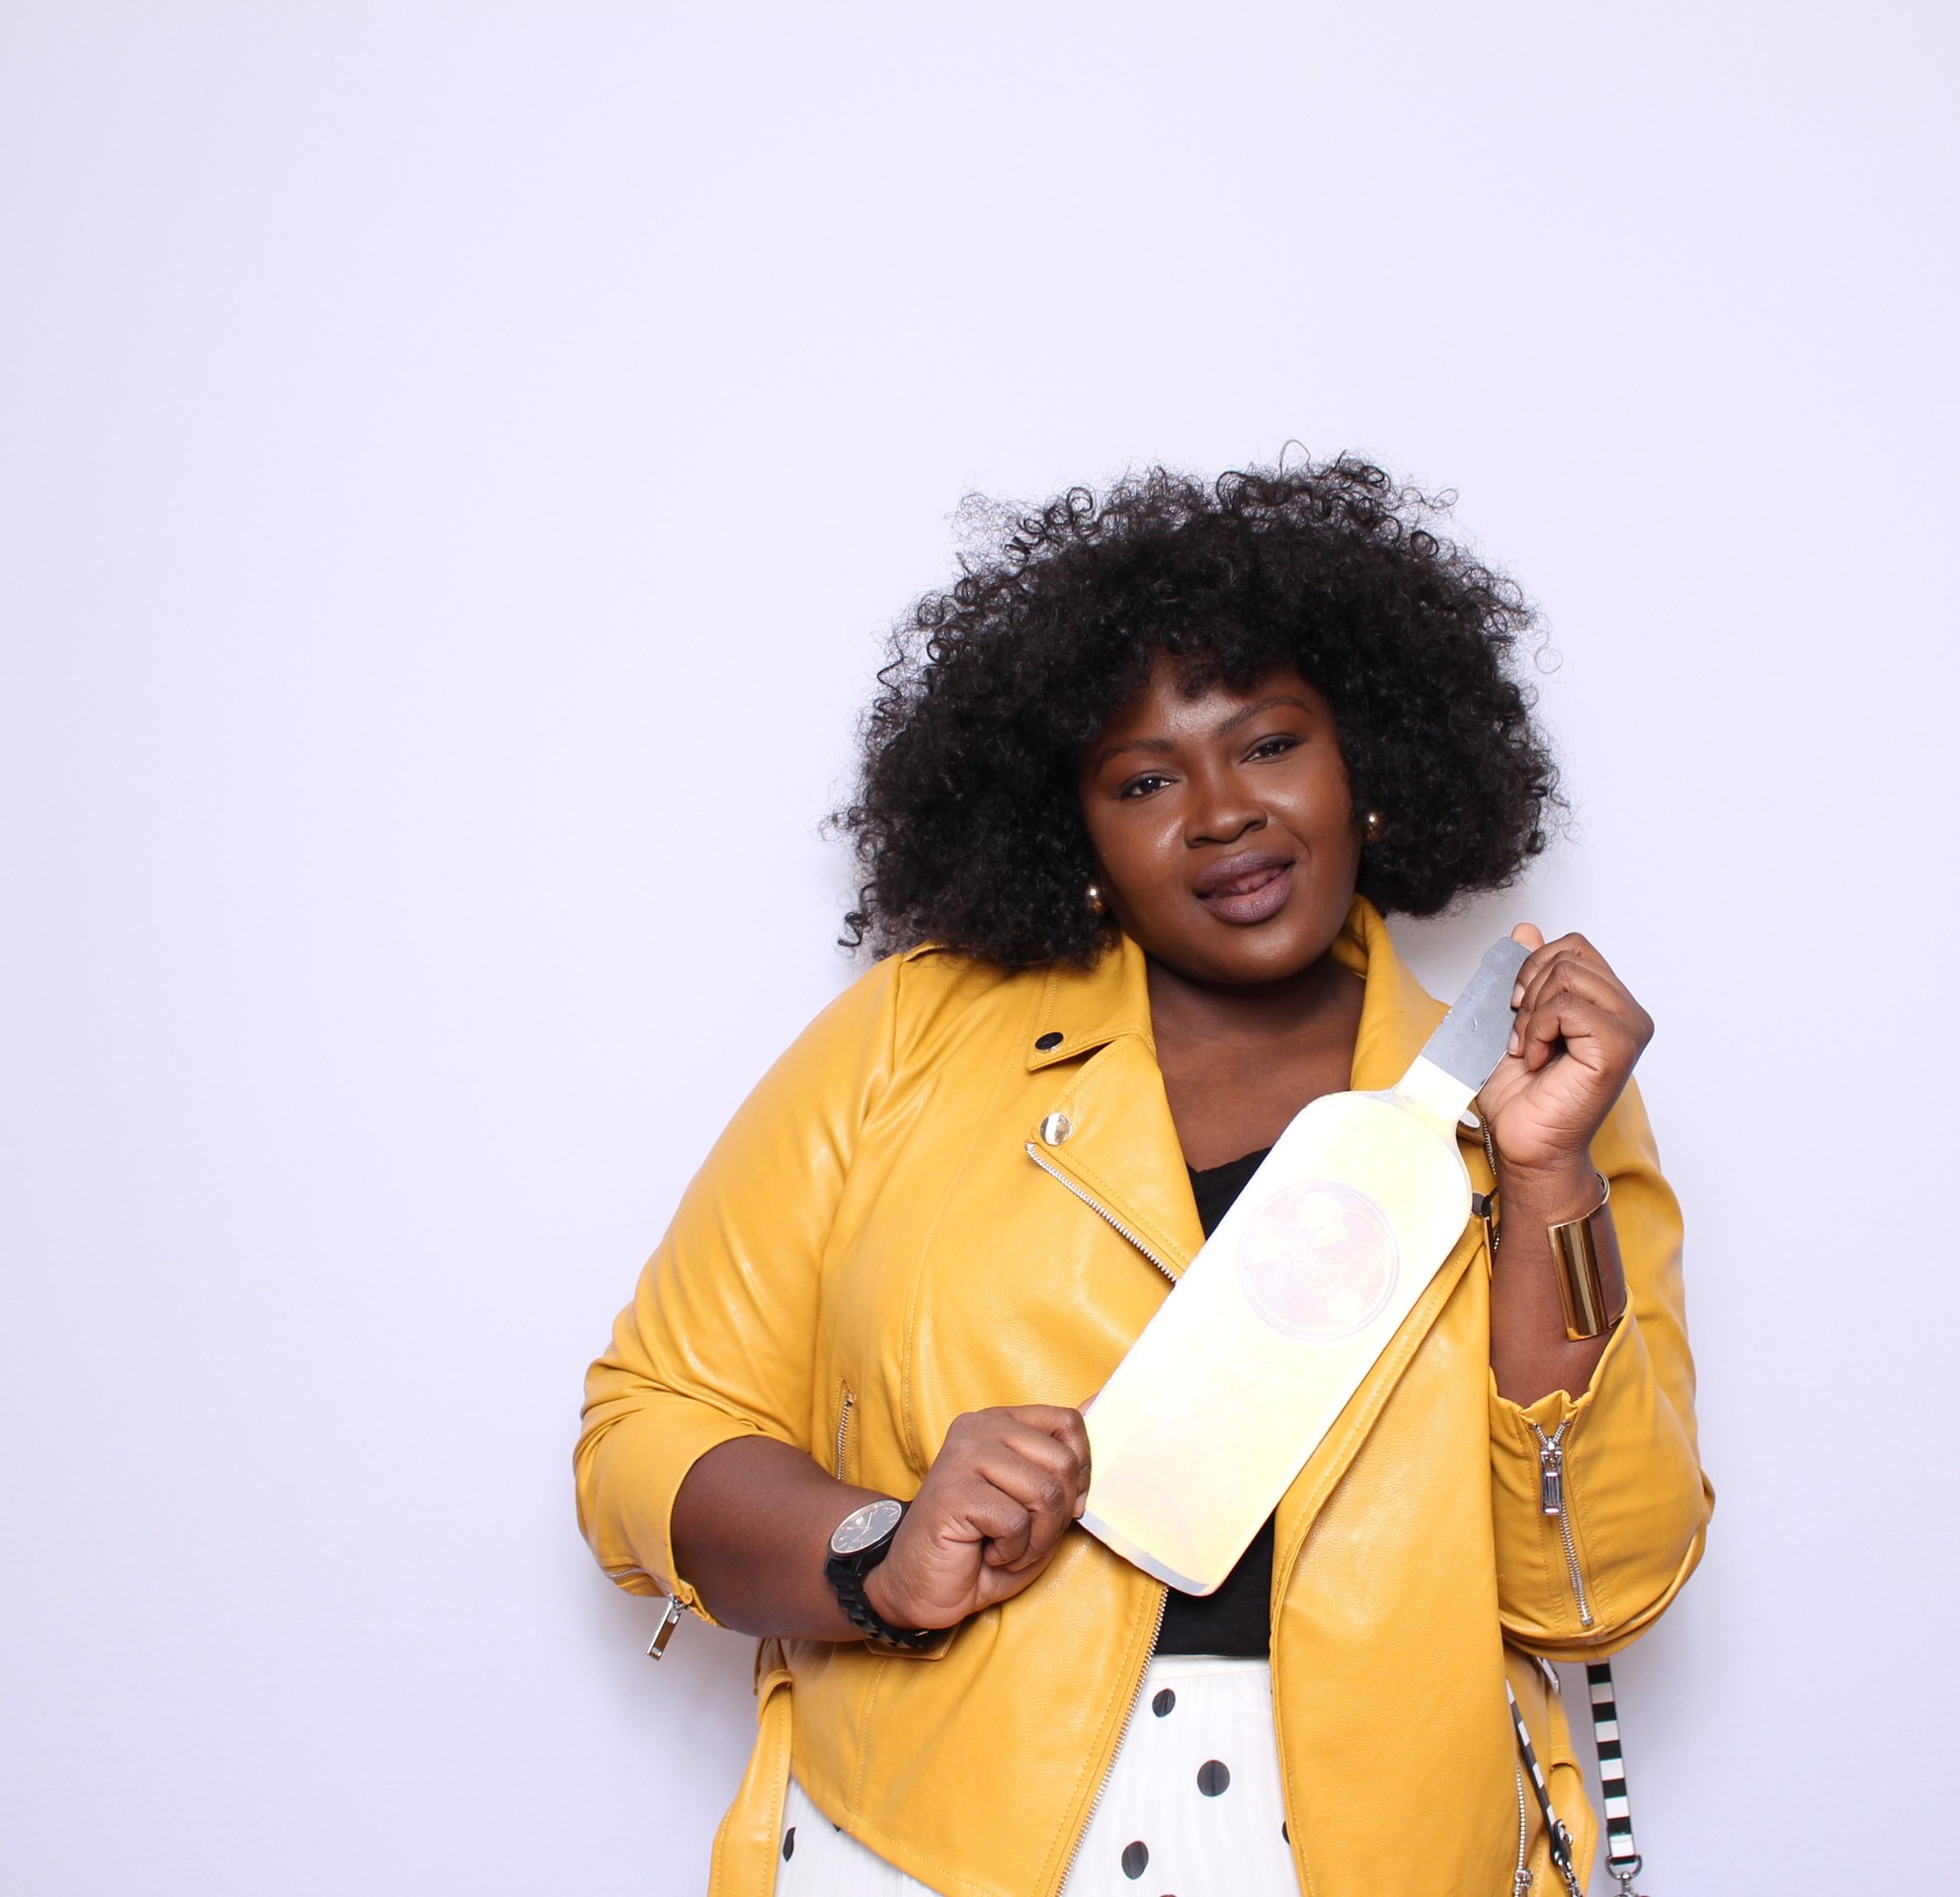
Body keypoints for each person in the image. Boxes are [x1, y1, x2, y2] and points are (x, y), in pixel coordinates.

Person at [576, 457, 1711, 1897]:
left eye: (1272, 743)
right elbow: (650, 1424)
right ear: (1078, 833)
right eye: (1146, 780)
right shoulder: (905, 1039)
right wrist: (874, 1552)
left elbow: (1598, 1590)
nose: (1223, 810)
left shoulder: (1539, 1098)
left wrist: (1544, 1178)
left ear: (1368, 763)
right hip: (924, 1840)